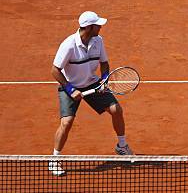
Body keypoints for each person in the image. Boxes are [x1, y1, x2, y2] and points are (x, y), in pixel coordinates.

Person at [49, 11, 134, 176]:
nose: (101, 27)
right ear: (88, 27)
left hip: (92, 83)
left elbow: (105, 63)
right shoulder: (69, 45)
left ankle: (122, 146)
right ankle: (54, 159)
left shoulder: (98, 41)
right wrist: (70, 89)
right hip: (70, 85)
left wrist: (103, 80)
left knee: (116, 110)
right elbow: (55, 70)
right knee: (67, 122)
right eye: (98, 24)